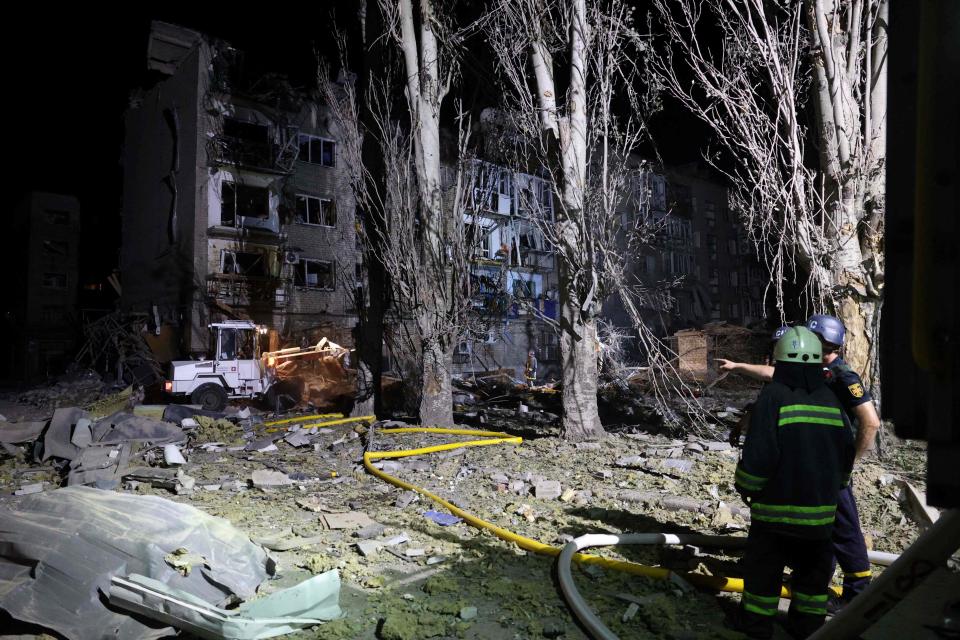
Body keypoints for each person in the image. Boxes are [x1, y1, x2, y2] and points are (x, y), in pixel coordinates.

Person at [718, 314, 881, 609]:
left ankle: (857, 592)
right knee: (820, 530)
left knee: (843, 530)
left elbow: (870, 422)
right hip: (819, 466)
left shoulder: (840, 376)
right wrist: (738, 366)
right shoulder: (812, 372)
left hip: (831, 469)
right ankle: (812, 586)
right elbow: (773, 375)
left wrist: (849, 463)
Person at [731, 327, 855, 639]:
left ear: (780, 361)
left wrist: (745, 485)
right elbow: (846, 453)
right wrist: (835, 486)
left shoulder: (773, 397)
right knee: (813, 584)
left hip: (774, 517)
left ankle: (757, 627)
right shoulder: (830, 400)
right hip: (819, 519)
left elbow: (758, 457)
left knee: (763, 577)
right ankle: (808, 629)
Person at [728, 326, 790, 447]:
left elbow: (770, 373)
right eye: (775, 345)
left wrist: (736, 366)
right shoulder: (771, 382)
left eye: (782, 345)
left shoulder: (794, 373)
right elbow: (760, 405)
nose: (777, 350)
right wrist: (739, 426)